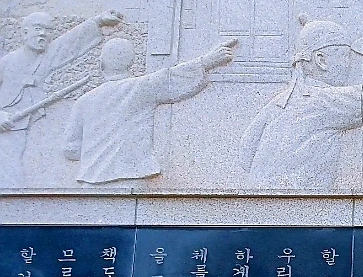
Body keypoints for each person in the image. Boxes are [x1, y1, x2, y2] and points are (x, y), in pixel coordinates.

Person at [240, 7, 363, 189]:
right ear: (321, 60)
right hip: (303, 208)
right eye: (346, 56)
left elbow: (245, 154)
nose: (350, 65)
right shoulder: (322, 101)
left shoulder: (279, 102)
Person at [63, 38, 235, 184]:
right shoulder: (140, 88)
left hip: (91, 179)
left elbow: (71, 149)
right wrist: (206, 61)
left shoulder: (83, 101)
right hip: (134, 175)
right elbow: (172, 77)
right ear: (132, 62)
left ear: (100, 64)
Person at [0, 9, 122, 185]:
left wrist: (98, 21)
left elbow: (68, 44)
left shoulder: (45, 56)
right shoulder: (7, 62)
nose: (43, 34)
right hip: (9, 124)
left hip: (34, 119)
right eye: (38, 28)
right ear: (25, 33)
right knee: (9, 169)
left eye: (48, 30)